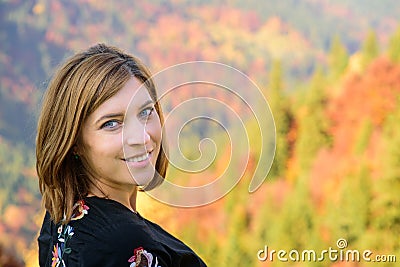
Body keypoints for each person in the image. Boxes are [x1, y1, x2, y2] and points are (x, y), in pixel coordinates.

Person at [36, 43, 207, 267]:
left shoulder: (61, 217)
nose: (142, 137)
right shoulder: (123, 245)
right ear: (73, 142)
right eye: (112, 123)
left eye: (146, 112)